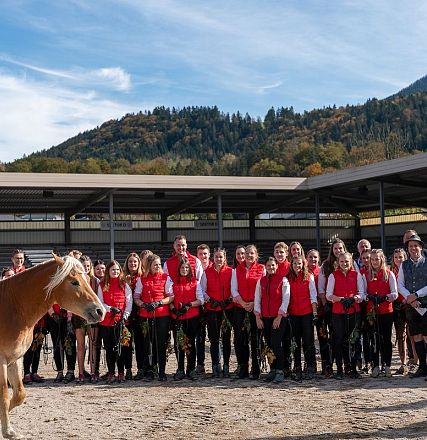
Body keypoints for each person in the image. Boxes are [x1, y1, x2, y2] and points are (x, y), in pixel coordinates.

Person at [326, 252, 365, 379]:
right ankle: (339, 369)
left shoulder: (356, 274)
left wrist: (354, 298)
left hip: (354, 310)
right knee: (338, 340)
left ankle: (353, 367)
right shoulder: (333, 275)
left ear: (351, 261)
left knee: (353, 340)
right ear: (338, 262)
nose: (344, 264)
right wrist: (341, 299)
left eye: (347, 261)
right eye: (342, 261)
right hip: (338, 312)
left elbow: (362, 293)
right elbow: (328, 295)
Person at [134, 254, 173, 381]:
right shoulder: (142, 279)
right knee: (147, 344)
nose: (158, 266)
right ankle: (149, 370)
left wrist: (160, 302)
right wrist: (143, 304)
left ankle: (161, 370)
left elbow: (171, 296)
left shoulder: (165, 277)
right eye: (155, 264)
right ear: (149, 266)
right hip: (146, 315)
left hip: (162, 315)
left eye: (159, 264)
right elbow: (136, 297)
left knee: (160, 343)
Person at [231, 244, 266, 379]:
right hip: (240, 308)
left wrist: (253, 303)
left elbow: (263, 289)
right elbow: (234, 289)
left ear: (256, 255)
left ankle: (256, 367)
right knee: (241, 338)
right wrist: (242, 303)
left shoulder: (262, 269)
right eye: (247, 253)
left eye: (252, 253)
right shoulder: (236, 270)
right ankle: (243, 366)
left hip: (255, 308)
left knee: (255, 338)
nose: (249, 256)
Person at [254, 257, 289, 383]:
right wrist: (258, 316)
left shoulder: (283, 280)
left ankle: (280, 370)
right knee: (268, 345)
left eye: (273, 265)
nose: (271, 268)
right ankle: (272, 369)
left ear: (276, 266)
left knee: (276, 344)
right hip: (265, 318)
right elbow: (257, 299)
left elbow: (286, 299)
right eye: (268, 266)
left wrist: (279, 316)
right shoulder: (261, 281)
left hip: (278, 318)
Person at [169, 258, 204, 380]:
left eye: (187, 268)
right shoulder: (173, 283)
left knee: (190, 343)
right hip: (177, 317)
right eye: (182, 268)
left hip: (191, 316)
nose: (184, 270)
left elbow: (201, 299)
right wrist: (173, 308)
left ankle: (191, 369)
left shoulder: (195, 282)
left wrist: (189, 305)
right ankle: (180, 369)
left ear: (190, 269)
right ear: (179, 269)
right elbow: (170, 298)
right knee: (179, 343)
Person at [98, 260, 133, 383]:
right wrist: (109, 309)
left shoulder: (124, 285)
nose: (115, 272)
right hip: (107, 322)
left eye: (118, 270)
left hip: (121, 322)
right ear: (108, 271)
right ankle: (111, 372)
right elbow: (100, 302)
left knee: (120, 348)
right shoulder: (102, 285)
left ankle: (121, 372)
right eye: (113, 270)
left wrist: (125, 315)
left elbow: (129, 303)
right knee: (109, 349)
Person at [397, 234, 427, 378]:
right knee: (416, 336)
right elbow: (400, 285)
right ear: (407, 249)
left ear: (420, 247)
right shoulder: (404, 264)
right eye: (410, 246)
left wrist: (417, 295)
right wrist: (410, 299)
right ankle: (422, 367)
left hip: (426, 303)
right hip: (411, 305)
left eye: (416, 245)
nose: (413, 248)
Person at [201, 247, 234, 378]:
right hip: (212, 309)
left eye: (221, 257)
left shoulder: (231, 272)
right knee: (214, 339)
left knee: (226, 339)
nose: (218, 259)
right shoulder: (207, 272)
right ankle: (215, 365)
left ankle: (226, 365)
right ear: (212, 258)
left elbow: (234, 288)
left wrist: (229, 299)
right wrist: (209, 299)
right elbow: (202, 290)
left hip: (227, 309)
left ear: (224, 258)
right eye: (216, 257)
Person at [365, 249, 398, 378]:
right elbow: (362, 292)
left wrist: (385, 297)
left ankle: (388, 365)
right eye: (372, 259)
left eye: (377, 259)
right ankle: (375, 366)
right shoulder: (366, 275)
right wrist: (369, 297)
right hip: (372, 311)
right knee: (374, 339)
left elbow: (395, 293)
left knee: (386, 338)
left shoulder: (389, 274)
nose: (374, 262)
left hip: (386, 310)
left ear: (381, 259)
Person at [285, 255, 318, 380]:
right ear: (291, 265)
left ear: (303, 264)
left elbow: (313, 296)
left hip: (307, 313)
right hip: (293, 314)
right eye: (294, 264)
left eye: (299, 264)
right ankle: (297, 366)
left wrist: (314, 314)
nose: (297, 266)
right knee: (295, 342)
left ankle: (310, 366)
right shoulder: (288, 279)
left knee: (308, 341)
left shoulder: (309, 277)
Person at [307, 249, 332, 376]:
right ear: (306, 258)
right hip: (307, 311)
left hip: (321, 310)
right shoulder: (303, 271)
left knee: (323, 338)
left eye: (315, 257)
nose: (313, 260)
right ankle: (310, 365)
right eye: (310, 257)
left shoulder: (322, 271)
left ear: (319, 259)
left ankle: (326, 364)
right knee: (308, 339)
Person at [73, 255, 96, 383]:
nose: (86, 268)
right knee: (81, 346)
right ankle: (81, 373)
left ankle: (93, 372)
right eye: (84, 266)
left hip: (92, 317)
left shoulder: (95, 281)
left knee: (93, 344)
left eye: (88, 266)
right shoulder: (77, 280)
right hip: (79, 316)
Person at [123, 252, 143, 380]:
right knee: (126, 343)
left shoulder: (143, 276)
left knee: (140, 343)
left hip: (140, 313)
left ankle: (141, 369)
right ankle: (128, 369)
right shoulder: (123, 278)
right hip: (127, 314)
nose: (133, 264)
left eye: (135, 261)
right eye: (130, 261)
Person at [391, 248, 411, 375]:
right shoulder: (391, 272)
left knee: (412, 334)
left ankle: (415, 361)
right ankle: (403, 363)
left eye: (401, 257)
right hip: (397, 306)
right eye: (396, 257)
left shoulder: (410, 270)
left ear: (405, 257)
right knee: (400, 335)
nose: (399, 259)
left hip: (409, 304)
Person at [195, 244, 212, 374]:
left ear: (209, 255)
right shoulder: (195, 268)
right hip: (199, 307)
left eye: (205, 254)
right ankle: (200, 364)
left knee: (214, 337)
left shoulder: (213, 267)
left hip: (212, 307)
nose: (203, 256)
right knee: (200, 337)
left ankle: (217, 364)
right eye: (200, 254)